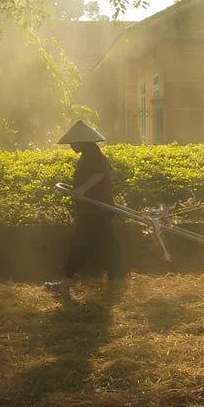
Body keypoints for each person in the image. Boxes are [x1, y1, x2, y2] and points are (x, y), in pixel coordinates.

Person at [45, 119, 123, 301]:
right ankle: (115, 282)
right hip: (96, 209)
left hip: (94, 210)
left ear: (82, 141)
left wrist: (82, 189)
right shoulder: (94, 154)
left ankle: (65, 284)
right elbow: (110, 173)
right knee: (106, 245)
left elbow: (100, 174)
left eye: (73, 143)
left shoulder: (92, 153)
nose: (71, 146)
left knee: (80, 245)